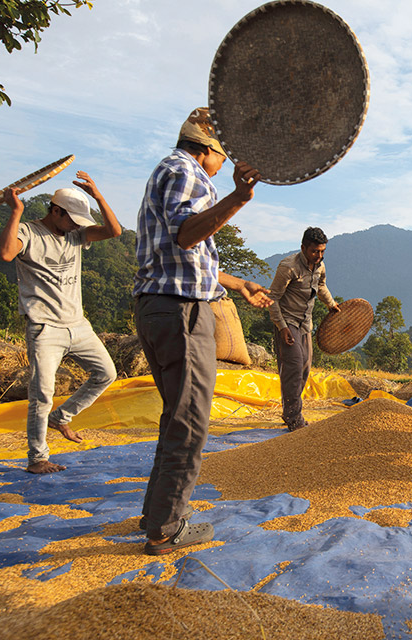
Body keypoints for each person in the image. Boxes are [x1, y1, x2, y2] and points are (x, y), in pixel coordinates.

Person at [133, 107, 273, 555]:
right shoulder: (189, 172)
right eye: (223, 154)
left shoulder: (165, 171)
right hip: (180, 313)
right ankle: (167, 527)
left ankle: (155, 513)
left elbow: (185, 257)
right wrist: (237, 199)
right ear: (208, 150)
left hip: (157, 306)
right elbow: (187, 236)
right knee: (191, 419)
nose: (224, 163)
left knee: (177, 412)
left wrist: (239, 283)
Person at [0, 172, 121, 475]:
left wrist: (98, 195)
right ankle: (37, 458)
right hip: (45, 327)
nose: (77, 225)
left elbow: (114, 231)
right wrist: (15, 211)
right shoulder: (29, 232)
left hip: (77, 323)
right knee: (42, 393)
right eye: (72, 218)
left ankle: (61, 417)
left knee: (106, 373)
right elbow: (6, 253)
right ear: (55, 211)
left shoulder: (77, 234)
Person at [267, 227, 340, 431]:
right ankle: (293, 419)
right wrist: (281, 327)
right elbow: (272, 299)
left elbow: (322, 285)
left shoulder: (319, 266)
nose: (319, 255)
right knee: (294, 367)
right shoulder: (288, 267)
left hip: (305, 323)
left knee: (305, 368)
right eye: (314, 251)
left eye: (322, 251)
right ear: (303, 248)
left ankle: (291, 412)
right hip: (287, 321)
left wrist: (331, 304)